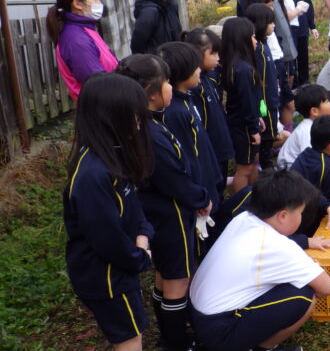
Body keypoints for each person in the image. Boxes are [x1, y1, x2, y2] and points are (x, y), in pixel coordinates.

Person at [115, 54, 212, 351]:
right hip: (169, 213)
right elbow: (173, 179)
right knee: (177, 281)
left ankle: (169, 337)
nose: (171, 86)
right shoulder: (150, 132)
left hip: (155, 211)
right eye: (167, 82)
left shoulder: (146, 123)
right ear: (150, 92)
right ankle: (177, 342)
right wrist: (200, 197)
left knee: (164, 276)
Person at [189, 170, 330, 351]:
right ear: (282, 215)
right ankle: (263, 348)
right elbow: (327, 287)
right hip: (220, 332)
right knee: (305, 293)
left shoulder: (244, 219)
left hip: (199, 316)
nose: (301, 218)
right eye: (300, 212)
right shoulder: (277, 246)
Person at [63, 73, 154, 351]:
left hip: (121, 267)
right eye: (134, 116)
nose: (139, 123)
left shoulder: (111, 155)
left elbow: (134, 207)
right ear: (110, 118)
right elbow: (106, 238)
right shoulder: (92, 175)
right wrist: (138, 256)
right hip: (107, 278)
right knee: (129, 337)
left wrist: (143, 233)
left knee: (131, 329)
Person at [157, 42, 224, 257]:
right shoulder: (175, 112)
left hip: (208, 183)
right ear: (182, 71)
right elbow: (187, 158)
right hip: (198, 191)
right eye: (195, 67)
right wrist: (199, 195)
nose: (199, 71)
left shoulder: (187, 101)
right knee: (202, 247)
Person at [47, 0, 118, 100]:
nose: (100, 3)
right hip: (102, 109)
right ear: (77, 4)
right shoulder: (76, 40)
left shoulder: (85, 28)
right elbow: (97, 85)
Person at [182, 28, 234, 198]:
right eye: (214, 53)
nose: (218, 58)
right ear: (198, 54)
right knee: (214, 192)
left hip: (220, 145)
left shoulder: (207, 78)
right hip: (212, 151)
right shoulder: (194, 88)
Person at [220, 17, 264, 193]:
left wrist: (257, 117)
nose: (255, 41)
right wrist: (253, 128)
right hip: (243, 126)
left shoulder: (234, 65)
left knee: (252, 162)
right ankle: (240, 206)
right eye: (252, 37)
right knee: (244, 168)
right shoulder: (243, 69)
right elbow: (246, 101)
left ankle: (252, 200)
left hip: (243, 121)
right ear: (242, 40)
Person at [244, 3, 290, 169]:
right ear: (261, 24)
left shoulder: (264, 45)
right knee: (268, 136)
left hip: (272, 98)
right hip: (267, 102)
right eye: (271, 22)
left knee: (271, 134)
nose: (274, 25)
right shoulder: (258, 50)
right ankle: (265, 165)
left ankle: (265, 162)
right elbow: (261, 80)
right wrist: (265, 103)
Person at [277, 84, 330, 170]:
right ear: (314, 111)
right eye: (327, 101)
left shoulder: (318, 126)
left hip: (300, 169)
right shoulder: (307, 131)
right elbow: (309, 160)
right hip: (291, 173)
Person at [283, 0, 319, 87]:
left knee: (303, 57)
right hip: (290, 31)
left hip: (302, 29)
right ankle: (294, 84)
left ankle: (305, 82)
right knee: (292, 57)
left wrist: (312, 27)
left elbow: (309, 8)